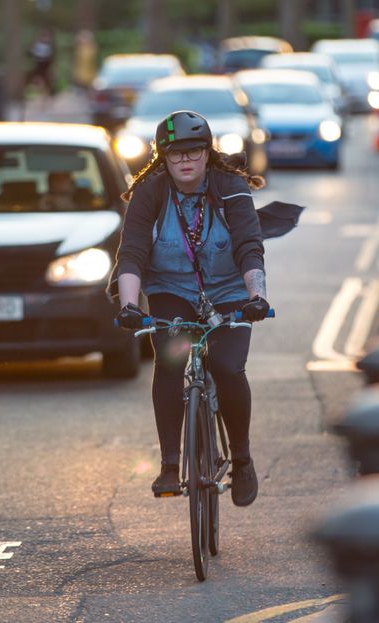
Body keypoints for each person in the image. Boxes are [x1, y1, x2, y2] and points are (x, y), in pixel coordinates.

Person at [113, 110, 270, 507]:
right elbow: (131, 253)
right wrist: (131, 306)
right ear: (162, 158)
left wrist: (256, 297)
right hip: (171, 289)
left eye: (193, 151)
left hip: (229, 291)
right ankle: (170, 464)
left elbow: (249, 247)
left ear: (207, 152)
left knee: (228, 367)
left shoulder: (230, 186)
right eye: (175, 153)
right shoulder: (151, 190)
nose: (185, 160)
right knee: (169, 360)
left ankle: (242, 459)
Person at [27, 29, 56, 98]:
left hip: (46, 65)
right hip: (38, 64)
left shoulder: (50, 46)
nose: (46, 39)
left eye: (47, 37)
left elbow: (51, 56)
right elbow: (32, 53)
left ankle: (48, 93)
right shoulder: (38, 44)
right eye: (44, 37)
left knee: (48, 80)